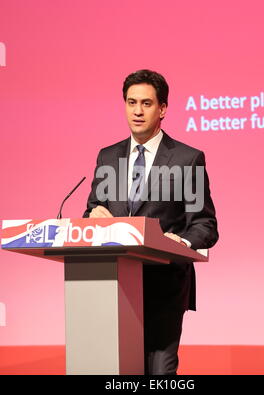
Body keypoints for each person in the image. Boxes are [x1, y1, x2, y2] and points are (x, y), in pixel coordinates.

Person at [83, 69, 218, 375]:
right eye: (131, 103)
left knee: (159, 371)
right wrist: (93, 215)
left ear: (162, 109)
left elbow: (205, 224)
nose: (137, 111)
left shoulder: (187, 159)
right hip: (113, 283)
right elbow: (94, 209)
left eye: (146, 103)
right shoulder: (108, 157)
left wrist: (180, 242)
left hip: (164, 284)